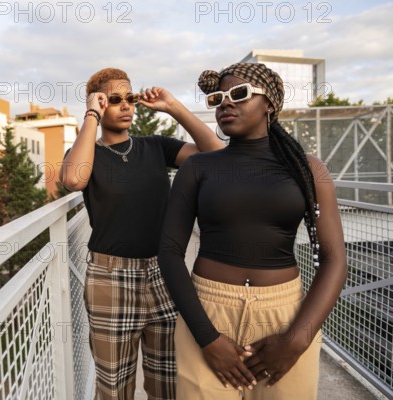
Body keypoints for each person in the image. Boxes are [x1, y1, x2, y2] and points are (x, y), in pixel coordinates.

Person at [158, 63, 347, 400]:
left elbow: (333, 260)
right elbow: (170, 253)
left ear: (269, 104)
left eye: (240, 94)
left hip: (285, 317)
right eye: (218, 98)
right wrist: (207, 338)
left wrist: (296, 341)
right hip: (207, 313)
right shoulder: (198, 167)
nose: (226, 104)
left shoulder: (308, 169)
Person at [60, 67, 224, 400]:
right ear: (100, 104)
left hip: (165, 274)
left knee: (168, 383)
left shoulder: (155, 147)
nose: (125, 106)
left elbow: (215, 153)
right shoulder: (86, 154)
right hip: (110, 279)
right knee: (113, 385)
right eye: (114, 100)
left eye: (130, 98)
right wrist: (91, 112)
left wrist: (173, 107)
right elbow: (74, 180)